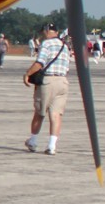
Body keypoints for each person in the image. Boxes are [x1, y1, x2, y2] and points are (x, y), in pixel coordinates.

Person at [23, 22, 71, 155]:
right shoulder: (65, 46)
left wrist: (28, 74)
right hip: (62, 81)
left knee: (40, 112)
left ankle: (33, 141)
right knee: (56, 114)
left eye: (43, 31)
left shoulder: (47, 44)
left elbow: (40, 63)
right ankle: (52, 145)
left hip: (48, 81)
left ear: (47, 31)